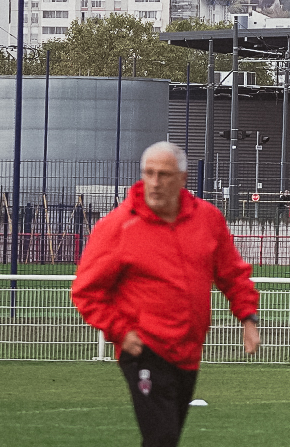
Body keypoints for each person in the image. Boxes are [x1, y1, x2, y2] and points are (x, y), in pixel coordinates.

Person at [71, 141, 259, 446]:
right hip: (144, 348)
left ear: (183, 179)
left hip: (188, 351)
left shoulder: (207, 220)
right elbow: (85, 291)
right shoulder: (118, 226)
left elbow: (232, 273)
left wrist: (248, 318)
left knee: (166, 439)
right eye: (149, 173)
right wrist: (121, 331)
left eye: (164, 175)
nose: (155, 183)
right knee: (162, 438)